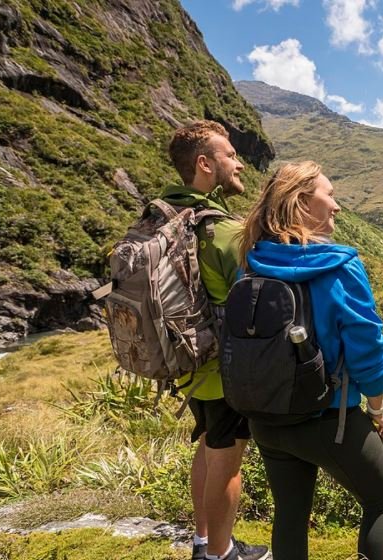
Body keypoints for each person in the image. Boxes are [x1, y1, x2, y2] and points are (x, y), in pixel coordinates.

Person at [236, 161, 383, 560]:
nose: (337, 206)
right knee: (382, 501)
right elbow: (367, 347)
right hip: (328, 418)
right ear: (303, 203)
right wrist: (376, 409)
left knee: (289, 514)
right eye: (330, 194)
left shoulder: (252, 259)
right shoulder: (340, 266)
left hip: (266, 417)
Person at [163, 121, 270, 560]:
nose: (239, 161)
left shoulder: (169, 214)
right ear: (205, 164)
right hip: (222, 370)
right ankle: (221, 555)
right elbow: (257, 298)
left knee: (208, 447)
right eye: (229, 155)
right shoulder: (223, 231)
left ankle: (204, 541)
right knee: (227, 461)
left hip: (187, 361)